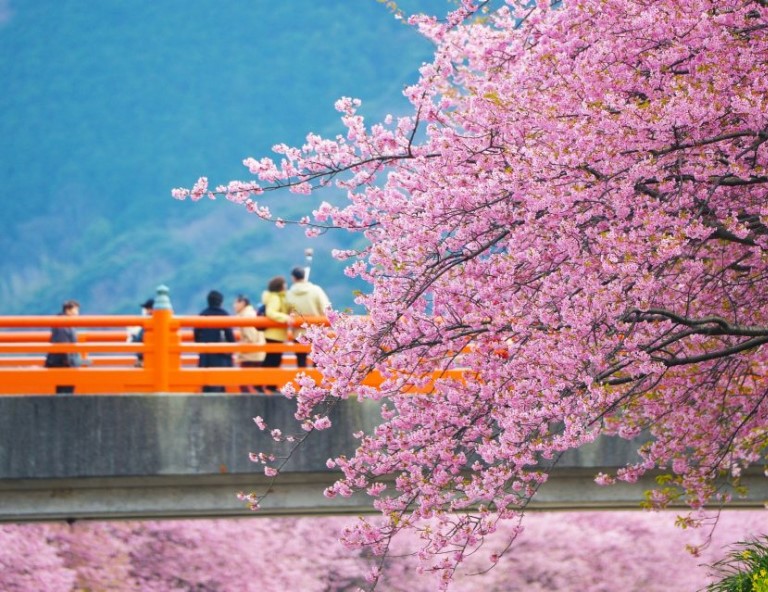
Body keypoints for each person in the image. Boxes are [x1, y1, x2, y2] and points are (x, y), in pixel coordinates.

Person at [285, 266, 330, 368]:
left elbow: (286, 312)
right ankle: (317, 382)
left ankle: (303, 383)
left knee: (301, 361)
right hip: (316, 331)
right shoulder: (316, 290)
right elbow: (326, 308)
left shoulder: (289, 294)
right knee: (318, 361)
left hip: (298, 333)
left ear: (293, 278)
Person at [193, 290, 235, 393]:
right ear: (221, 301)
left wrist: (201, 344)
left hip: (205, 354)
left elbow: (196, 334)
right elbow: (230, 336)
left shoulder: (203, 314)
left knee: (206, 383)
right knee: (219, 383)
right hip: (221, 355)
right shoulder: (224, 314)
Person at [261, 276, 292, 393]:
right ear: (280, 286)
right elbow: (270, 312)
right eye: (284, 285)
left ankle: (269, 385)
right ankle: (267, 385)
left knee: (273, 360)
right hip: (274, 334)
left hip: (275, 333)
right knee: (272, 360)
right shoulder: (275, 298)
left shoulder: (279, 297)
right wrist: (285, 318)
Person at [44, 300, 82, 394]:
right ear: (68, 311)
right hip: (64, 364)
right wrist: (70, 363)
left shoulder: (63, 323)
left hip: (62, 363)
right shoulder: (63, 324)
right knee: (65, 391)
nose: (77, 314)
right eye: (75, 311)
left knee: (64, 391)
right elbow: (63, 345)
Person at [233, 294, 266, 394]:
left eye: (236, 303)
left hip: (250, 355)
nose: (234, 306)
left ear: (242, 303)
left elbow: (251, 338)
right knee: (256, 383)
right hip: (257, 353)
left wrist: (239, 351)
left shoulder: (246, 316)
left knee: (244, 384)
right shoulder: (251, 313)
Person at [131, 298, 154, 366]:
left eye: (147, 309)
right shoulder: (148, 323)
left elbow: (142, 341)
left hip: (147, 359)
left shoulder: (149, 324)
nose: (146, 312)